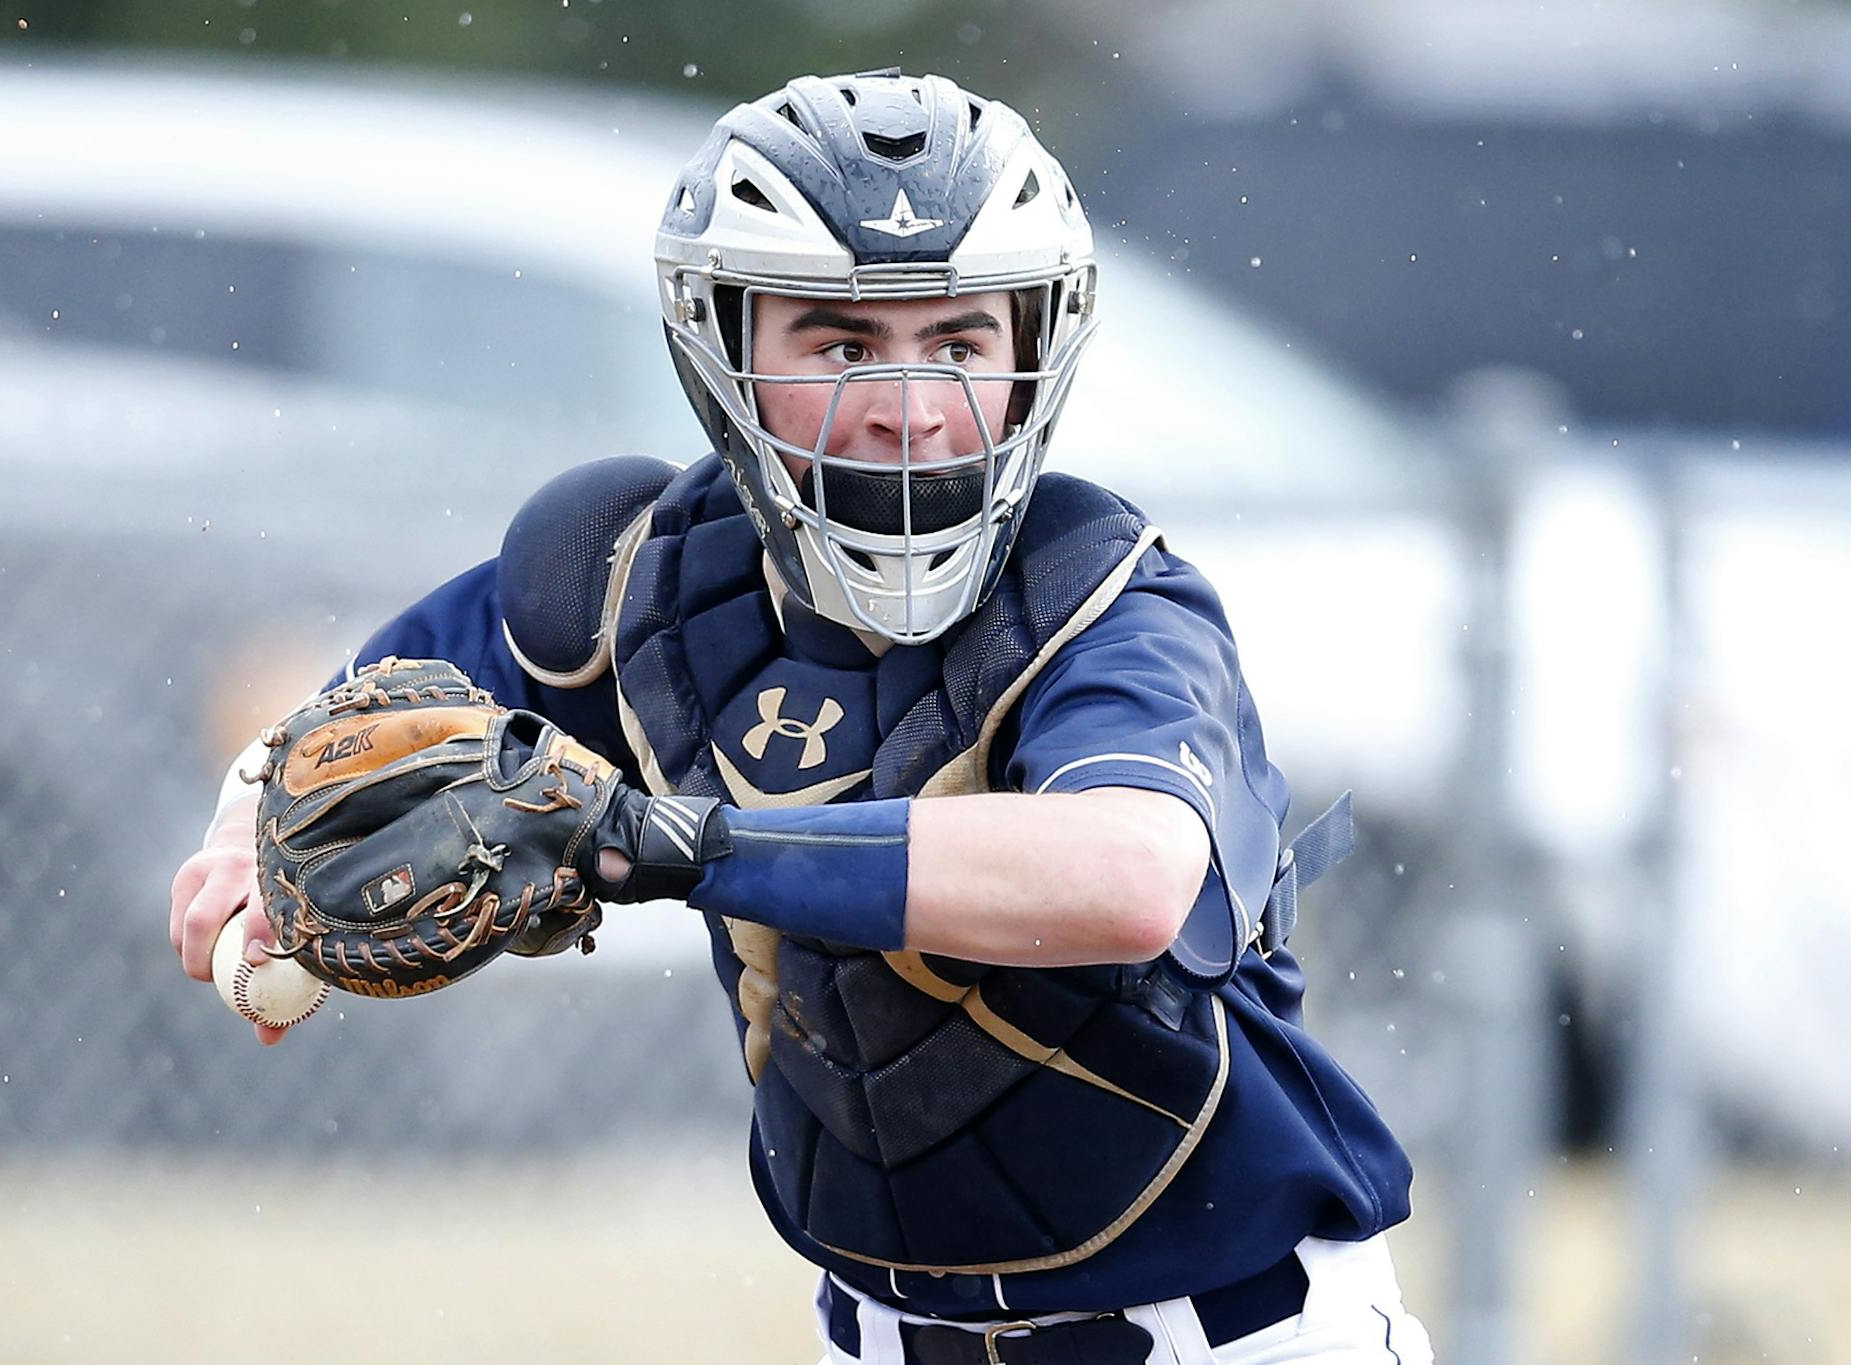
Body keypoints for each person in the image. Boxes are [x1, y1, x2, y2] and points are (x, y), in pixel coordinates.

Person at [168, 69, 1435, 1364]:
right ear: (723, 347)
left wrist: (673, 843)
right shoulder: (634, 576)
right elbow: (351, 726)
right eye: (840, 345)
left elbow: (1129, 875)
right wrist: (248, 847)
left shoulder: (1106, 598)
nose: (903, 400)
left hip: (1237, 1338)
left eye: (958, 342)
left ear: (1031, 357)